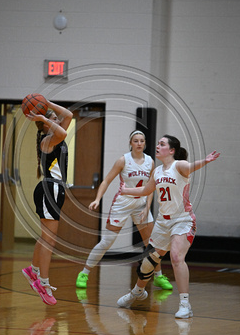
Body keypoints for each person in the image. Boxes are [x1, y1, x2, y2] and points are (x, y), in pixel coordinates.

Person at [117, 135, 220, 318]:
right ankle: (137, 293)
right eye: (158, 143)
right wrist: (125, 190)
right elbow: (145, 191)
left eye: (162, 144)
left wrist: (205, 160)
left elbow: (191, 167)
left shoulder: (179, 165)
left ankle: (185, 304)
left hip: (182, 219)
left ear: (171, 151)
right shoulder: (157, 171)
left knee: (176, 257)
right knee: (147, 263)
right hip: (162, 222)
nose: (157, 146)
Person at [76, 130, 172, 291]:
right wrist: (97, 199)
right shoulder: (123, 160)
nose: (139, 143)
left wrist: (147, 206)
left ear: (145, 143)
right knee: (107, 241)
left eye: (142, 141)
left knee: (152, 243)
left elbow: (151, 187)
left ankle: (158, 276)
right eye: (136, 141)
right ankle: (84, 273)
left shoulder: (150, 161)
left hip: (141, 204)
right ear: (130, 143)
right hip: (123, 202)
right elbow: (106, 181)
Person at [22, 100, 73, 305]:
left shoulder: (54, 137)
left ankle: (32, 270)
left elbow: (68, 115)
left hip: (55, 189)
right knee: (49, 240)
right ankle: (43, 282)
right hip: (49, 189)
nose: (58, 121)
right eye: (54, 120)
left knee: (46, 237)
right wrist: (43, 118)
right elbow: (62, 132)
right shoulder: (47, 140)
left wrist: (47, 102)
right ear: (45, 125)